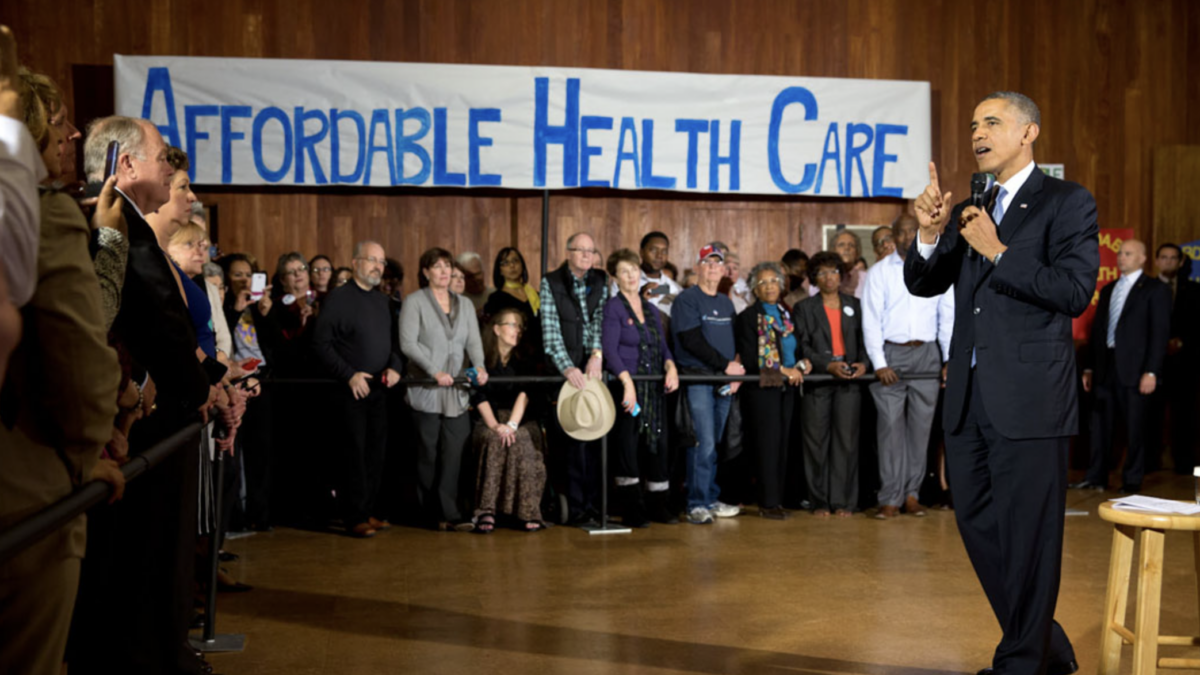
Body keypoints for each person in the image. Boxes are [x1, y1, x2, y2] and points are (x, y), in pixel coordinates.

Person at [906, 91, 1099, 675]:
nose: (977, 133)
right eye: (972, 125)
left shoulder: (1067, 202)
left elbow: (1073, 292)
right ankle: (1048, 648)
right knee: (979, 526)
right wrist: (929, 236)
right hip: (968, 400)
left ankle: (1020, 662)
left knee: (1032, 539)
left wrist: (998, 251)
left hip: (1031, 399)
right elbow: (924, 284)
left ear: (1028, 133)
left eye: (992, 122)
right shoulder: (970, 206)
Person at [76, 115, 214, 675]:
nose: (170, 167)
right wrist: (198, 388)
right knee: (138, 557)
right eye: (161, 157)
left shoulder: (125, 221)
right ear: (126, 164)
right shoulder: (112, 223)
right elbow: (153, 319)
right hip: (131, 418)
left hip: (144, 409)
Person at [0, 66, 122, 675]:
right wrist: (83, 454)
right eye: (60, 122)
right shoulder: (44, 211)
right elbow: (80, 350)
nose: (74, 135)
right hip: (23, 493)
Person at [862, 214, 954, 519]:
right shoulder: (879, 272)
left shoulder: (936, 267)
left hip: (927, 353)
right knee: (889, 429)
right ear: (893, 237)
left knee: (920, 430)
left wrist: (947, 358)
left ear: (918, 233)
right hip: (891, 354)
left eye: (910, 231)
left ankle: (912, 495)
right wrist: (879, 362)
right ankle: (890, 497)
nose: (905, 237)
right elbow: (871, 320)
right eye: (900, 233)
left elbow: (947, 315)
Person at [312, 241, 403, 537]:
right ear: (355, 263)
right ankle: (354, 516)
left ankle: (369, 510)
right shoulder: (338, 299)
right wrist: (349, 375)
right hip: (350, 389)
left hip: (380, 387)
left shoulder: (383, 301)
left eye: (381, 261)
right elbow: (321, 344)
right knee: (353, 454)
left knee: (376, 452)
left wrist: (395, 368)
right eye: (372, 260)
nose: (378, 266)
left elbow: (394, 345)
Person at [1072, 239, 1170, 492]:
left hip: (1136, 370)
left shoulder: (1154, 289)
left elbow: (1159, 334)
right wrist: (1089, 368)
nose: (1121, 257)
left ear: (1142, 258)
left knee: (1135, 427)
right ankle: (1096, 478)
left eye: (1127, 253)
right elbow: (1097, 333)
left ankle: (1132, 480)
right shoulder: (1108, 290)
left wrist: (1152, 371)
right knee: (1100, 426)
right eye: (1120, 253)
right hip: (1106, 368)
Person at [401, 247, 487, 531]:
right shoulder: (414, 302)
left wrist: (480, 367)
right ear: (425, 272)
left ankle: (450, 513)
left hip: (456, 391)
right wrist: (433, 371)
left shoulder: (463, 304)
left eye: (447, 266)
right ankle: (426, 513)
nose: (444, 271)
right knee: (427, 454)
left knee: (454, 454)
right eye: (437, 266)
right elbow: (408, 344)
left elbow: (473, 341)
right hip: (426, 389)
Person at [602, 248, 680, 527]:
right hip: (628, 388)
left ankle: (658, 505)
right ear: (615, 278)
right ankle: (632, 509)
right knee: (628, 445)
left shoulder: (651, 309)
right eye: (624, 271)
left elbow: (663, 348)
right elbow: (610, 351)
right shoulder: (613, 307)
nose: (631, 275)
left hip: (654, 388)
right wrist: (626, 383)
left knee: (658, 443)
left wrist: (670, 366)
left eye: (634, 269)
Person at [671, 243, 745, 525]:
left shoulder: (725, 302)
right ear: (698, 267)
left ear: (724, 269)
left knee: (714, 443)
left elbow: (734, 341)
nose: (713, 267)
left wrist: (735, 370)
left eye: (718, 262)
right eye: (708, 262)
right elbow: (691, 340)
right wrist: (725, 366)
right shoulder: (686, 300)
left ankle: (710, 498)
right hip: (699, 379)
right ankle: (696, 503)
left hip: (724, 383)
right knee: (701, 443)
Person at [540, 233, 608, 526]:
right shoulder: (551, 282)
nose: (585, 255)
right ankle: (575, 507)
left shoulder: (601, 281)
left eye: (590, 251)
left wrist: (596, 354)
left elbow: (599, 322)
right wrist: (568, 368)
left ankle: (595, 505)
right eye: (580, 250)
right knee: (571, 443)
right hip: (562, 374)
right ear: (568, 252)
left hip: (593, 372)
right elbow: (550, 332)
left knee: (596, 439)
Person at [734, 262, 810, 520]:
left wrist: (802, 363)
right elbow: (750, 358)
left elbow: (794, 349)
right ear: (755, 288)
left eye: (774, 281)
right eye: (763, 282)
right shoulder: (747, 317)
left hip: (788, 388)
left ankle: (780, 498)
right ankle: (767, 502)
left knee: (784, 444)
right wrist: (782, 370)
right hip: (762, 389)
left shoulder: (786, 314)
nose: (769, 286)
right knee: (766, 445)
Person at [796, 251, 868, 518]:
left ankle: (843, 502)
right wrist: (827, 364)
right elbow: (802, 345)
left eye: (834, 271)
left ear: (841, 275)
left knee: (846, 444)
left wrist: (864, 363)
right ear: (814, 278)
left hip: (849, 380)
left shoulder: (855, 305)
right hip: (819, 381)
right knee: (816, 443)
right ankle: (819, 501)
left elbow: (866, 340)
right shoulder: (805, 308)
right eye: (823, 273)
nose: (829, 277)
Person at [470, 307, 547, 532]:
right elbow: (478, 395)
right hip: (489, 418)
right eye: (512, 325)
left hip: (520, 418)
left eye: (520, 326)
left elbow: (525, 393)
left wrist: (511, 425)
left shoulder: (525, 358)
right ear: (496, 329)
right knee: (494, 440)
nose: (518, 331)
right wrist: (495, 426)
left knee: (520, 439)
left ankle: (527, 511)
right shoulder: (481, 359)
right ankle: (486, 510)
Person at [1149, 243, 1200, 473]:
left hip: (1184, 364)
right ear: (1157, 261)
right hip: (1152, 365)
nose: (1168, 262)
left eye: (1173, 258)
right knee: (1150, 416)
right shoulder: (1144, 288)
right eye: (1164, 257)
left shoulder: (1195, 290)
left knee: (1185, 417)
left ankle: (1184, 464)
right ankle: (1149, 463)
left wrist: (1182, 341)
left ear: (1180, 262)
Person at [483, 246, 542, 358]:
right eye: (505, 263)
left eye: (515, 261)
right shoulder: (496, 299)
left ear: (522, 265)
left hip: (538, 354)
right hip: (513, 355)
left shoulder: (536, 295)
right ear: (500, 270)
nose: (512, 266)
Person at [636, 231, 683, 317]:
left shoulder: (675, 289)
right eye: (654, 250)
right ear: (641, 252)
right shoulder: (625, 281)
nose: (659, 256)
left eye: (664, 251)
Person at [832, 230, 866, 298]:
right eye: (841, 245)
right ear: (833, 250)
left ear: (857, 253)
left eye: (851, 245)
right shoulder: (823, 278)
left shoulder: (867, 279)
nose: (846, 248)